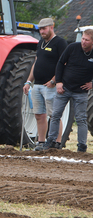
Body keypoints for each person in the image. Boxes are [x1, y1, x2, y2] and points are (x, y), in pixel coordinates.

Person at [39, 28, 93, 152]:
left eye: (87, 40)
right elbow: (60, 63)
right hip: (64, 88)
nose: (83, 42)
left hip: (81, 92)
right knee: (55, 114)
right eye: (83, 39)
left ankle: (82, 146)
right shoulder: (72, 47)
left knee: (81, 118)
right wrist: (58, 82)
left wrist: (92, 84)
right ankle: (50, 141)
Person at [23, 18, 68, 150]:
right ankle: (41, 142)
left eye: (44, 28)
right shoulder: (40, 43)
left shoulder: (60, 43)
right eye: (40, 29)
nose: (42, 31)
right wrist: (28, 81)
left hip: (51, 86)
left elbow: (64, 64)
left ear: (51, 27)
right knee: (39, 114)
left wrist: (55, 80)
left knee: (54, 115)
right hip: (37, 85)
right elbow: (36, 63)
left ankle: (57, 142)